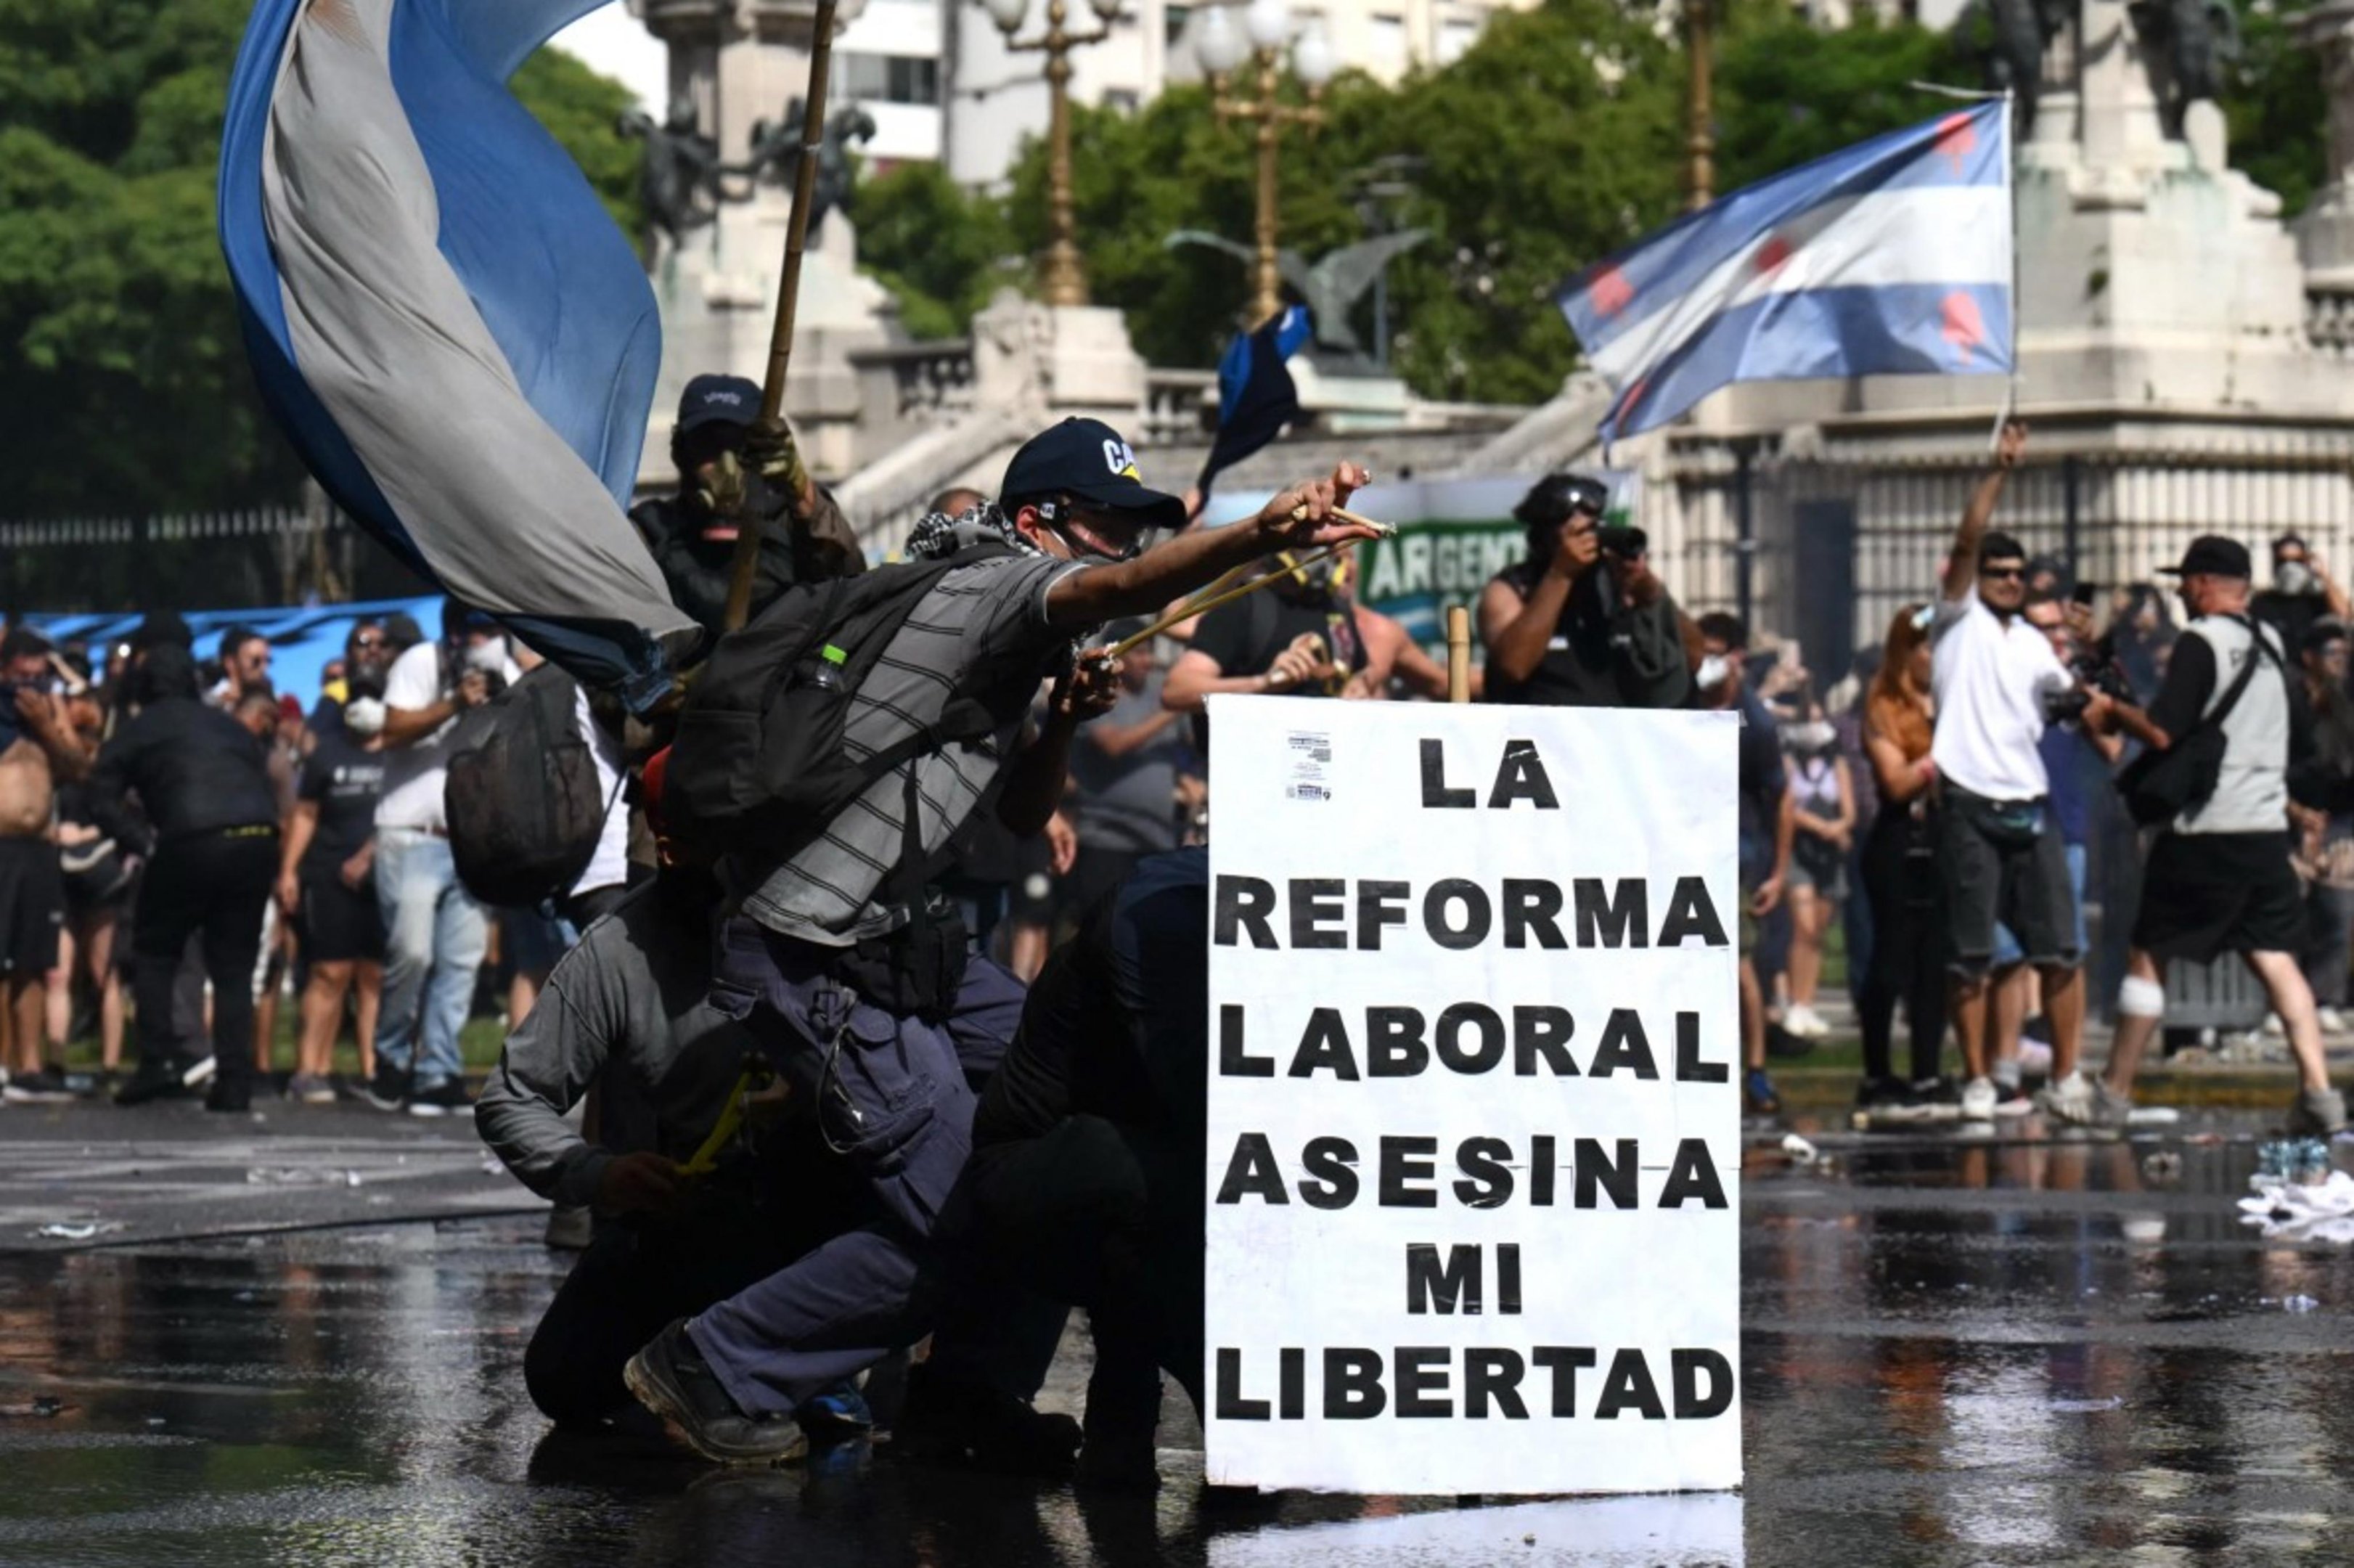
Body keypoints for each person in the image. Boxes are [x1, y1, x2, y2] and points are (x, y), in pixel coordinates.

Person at [619, 421, 1381, 1465]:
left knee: (1052, 1124)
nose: (1116, 552)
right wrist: (1256, 535)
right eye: (1105, 529)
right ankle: (711, 1366)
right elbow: (1117, 592)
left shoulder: (1008, 637)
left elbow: (1022, 817)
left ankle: (967, 1391)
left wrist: (1060, 720)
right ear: (1036, 525)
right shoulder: (990, 585)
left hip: (898, 941)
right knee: (964, 1214)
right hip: (812, 950)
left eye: (1128, 531)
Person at [913, 847, 1212, 1488]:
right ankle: (1175, 1417)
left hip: (1114, 1179)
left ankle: (1122, 1431)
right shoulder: (1158, 911)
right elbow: (1190, 1099)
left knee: (1160, 1188)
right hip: (1033, 1182)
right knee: (1167, 1180)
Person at [2075, 535, 2347, 1133]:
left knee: (2149, 953)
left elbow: (2163, 731)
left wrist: (2110, 710)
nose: (2177, 591)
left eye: (2184, 581)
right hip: (2261, 828)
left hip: (2204, 829)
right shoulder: (2273, 642)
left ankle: (2112, 1094)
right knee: (2276, 958)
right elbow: (2298, 733)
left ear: (2203, 583)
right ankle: (2319, 1093)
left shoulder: (2202, 643)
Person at [1926, 422, 2093, 1123]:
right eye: (1997, 574)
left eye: (2016, 575)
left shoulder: (2031, 642)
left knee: (2059, 948)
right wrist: (1995, 471)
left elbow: (2065, 705)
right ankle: (1975, 1078)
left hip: (2027, 799)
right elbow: (1966, 542)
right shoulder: (1953, 619)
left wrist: (2083, 679)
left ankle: (2066, 1075)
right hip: (1967, 795)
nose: (2008, 583)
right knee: (1969, 953)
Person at [93, 645, 282, 1112]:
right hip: (258, 835)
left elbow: (98, 796)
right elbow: (256, 778)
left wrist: (141, 842)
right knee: (234, 967)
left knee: (155, 950)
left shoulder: (141, 728)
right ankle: (235, 1081)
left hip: (192, 837)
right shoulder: (228, 726)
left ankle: (159, 1062)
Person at [367, 604, 517, 1116]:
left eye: (489, 633)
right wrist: (454, 702)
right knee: (412, 953)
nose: (480, 643)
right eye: (472, 633)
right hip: (411, 833)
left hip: (470, 840)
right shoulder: (419, 662)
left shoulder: (505, 667)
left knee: (460, 962)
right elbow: (388, 730)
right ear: (452, 634)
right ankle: (390, 1057)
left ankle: (438, 1071)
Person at [1981, 591, 2123, 1111]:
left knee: (2065, 952)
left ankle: (2066, 1069)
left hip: (2063, 827)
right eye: (2043, 629)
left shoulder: (2069, 686)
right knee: (2004, 955)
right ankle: (2004, 1068)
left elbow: (2111, 747)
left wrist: (2087, 690)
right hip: (2008, 822)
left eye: (2059, 630)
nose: (2054, 638)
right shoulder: (2003, 679)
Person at [629, 375, 865, 632]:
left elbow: (851, 580)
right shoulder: (653, 531)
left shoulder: (796, 524)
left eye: (741, 446)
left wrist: (802, 493)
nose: (728, 467)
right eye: (710, 446)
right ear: (682, 453)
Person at [1476, 472, 1691, 709]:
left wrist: (1652, 595)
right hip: (1539, 738)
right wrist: (1561, 574)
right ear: (1544, 538)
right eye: (1576, 533)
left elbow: (1694, 658)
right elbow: (1514, 666)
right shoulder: (1513, 589)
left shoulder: (1617, 584)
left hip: (1618, 737)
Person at [1697, 613, 1794, 1115]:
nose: (1705, 663)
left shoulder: (1753, 722)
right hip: (1682, 851)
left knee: (1737, 968)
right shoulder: (1680, 704)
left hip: (1732, 854)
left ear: (1736, 657)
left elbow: (1781, 797)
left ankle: (1755, 1070)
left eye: (1715, 652)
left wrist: (1777, 872)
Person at [276, 675, 387, 1103]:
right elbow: (305, 815)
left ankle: (372, 1070)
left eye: (373, 698)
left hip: (384, 876)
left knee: (374, 977)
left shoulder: (400, 751)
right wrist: (289, 870)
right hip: (329, 874)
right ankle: (309, 1068)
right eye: (356, 700)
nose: (365, 706)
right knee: (330, 972)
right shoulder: (327, 754)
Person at [1858, 605, 1948, 1109]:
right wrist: (1941, 756)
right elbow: (1894, 782)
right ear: (1906, 651)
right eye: (1926, 647)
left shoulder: (1953, 699)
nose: (1935, 657)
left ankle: (1927, 1072)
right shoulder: (1883, 704)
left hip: (1939, 836)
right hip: (1896, 839)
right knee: (1891, 959)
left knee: (1933, 963)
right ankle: (1876, 1070)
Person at [0, 631, 91, 1099]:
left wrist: (48, 727)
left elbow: (77, 768)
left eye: (39, 676)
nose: (30, 685)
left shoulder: (49, 712)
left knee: (35, 963)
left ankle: (30, 1065)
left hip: (38, 847)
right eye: (22, 675)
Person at [1063, 628, 1197, 920]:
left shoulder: (1163, 689)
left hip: (1158, 841)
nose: (1148, 661)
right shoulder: (1099, 692)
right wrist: (1172, 708)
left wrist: (1190, 780)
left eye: (1150, 653)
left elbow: (1186, 750)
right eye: (1139, 653)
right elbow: (1114, 745)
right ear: (1117, 658)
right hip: (1107, 840)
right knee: (1101, 926)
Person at [2289, 620, 2354, 1032]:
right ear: (2310, 657)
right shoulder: (2288, 699)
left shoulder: (2345, 704)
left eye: (2344, 656)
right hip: (2289, 814)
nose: (2340, 663)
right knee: (2289, 909)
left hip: (2337, 818)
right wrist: (2295, 812)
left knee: (2336, 909)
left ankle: (2325, 996)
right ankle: (2288, 999)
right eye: (2332, 654)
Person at [1781, 698, 1855, 1040]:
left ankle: (1809, 1002)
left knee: (1819, 933)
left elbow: (1850, 809)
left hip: (1829, 853)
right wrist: (1816, 826)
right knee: (1803, 928)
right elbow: (1788, 807)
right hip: (1800, 850)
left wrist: (1838, 828)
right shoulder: (1788, 763)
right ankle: (1795, 1002)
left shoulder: (1836, 765)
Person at [2249, 533, 2352, 658]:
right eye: (2283, 561)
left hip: (2309, 671)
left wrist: (2323, 575)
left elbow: (2344, 613)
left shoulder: (2315, 600)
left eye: (2297, 561)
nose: (2289, 567)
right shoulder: (2263, 602)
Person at [208, 626, 273, 711]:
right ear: (230, 663)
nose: (264, 668)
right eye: (255, 661)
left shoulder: (277, 702)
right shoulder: (211, 705)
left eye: (268, 661)